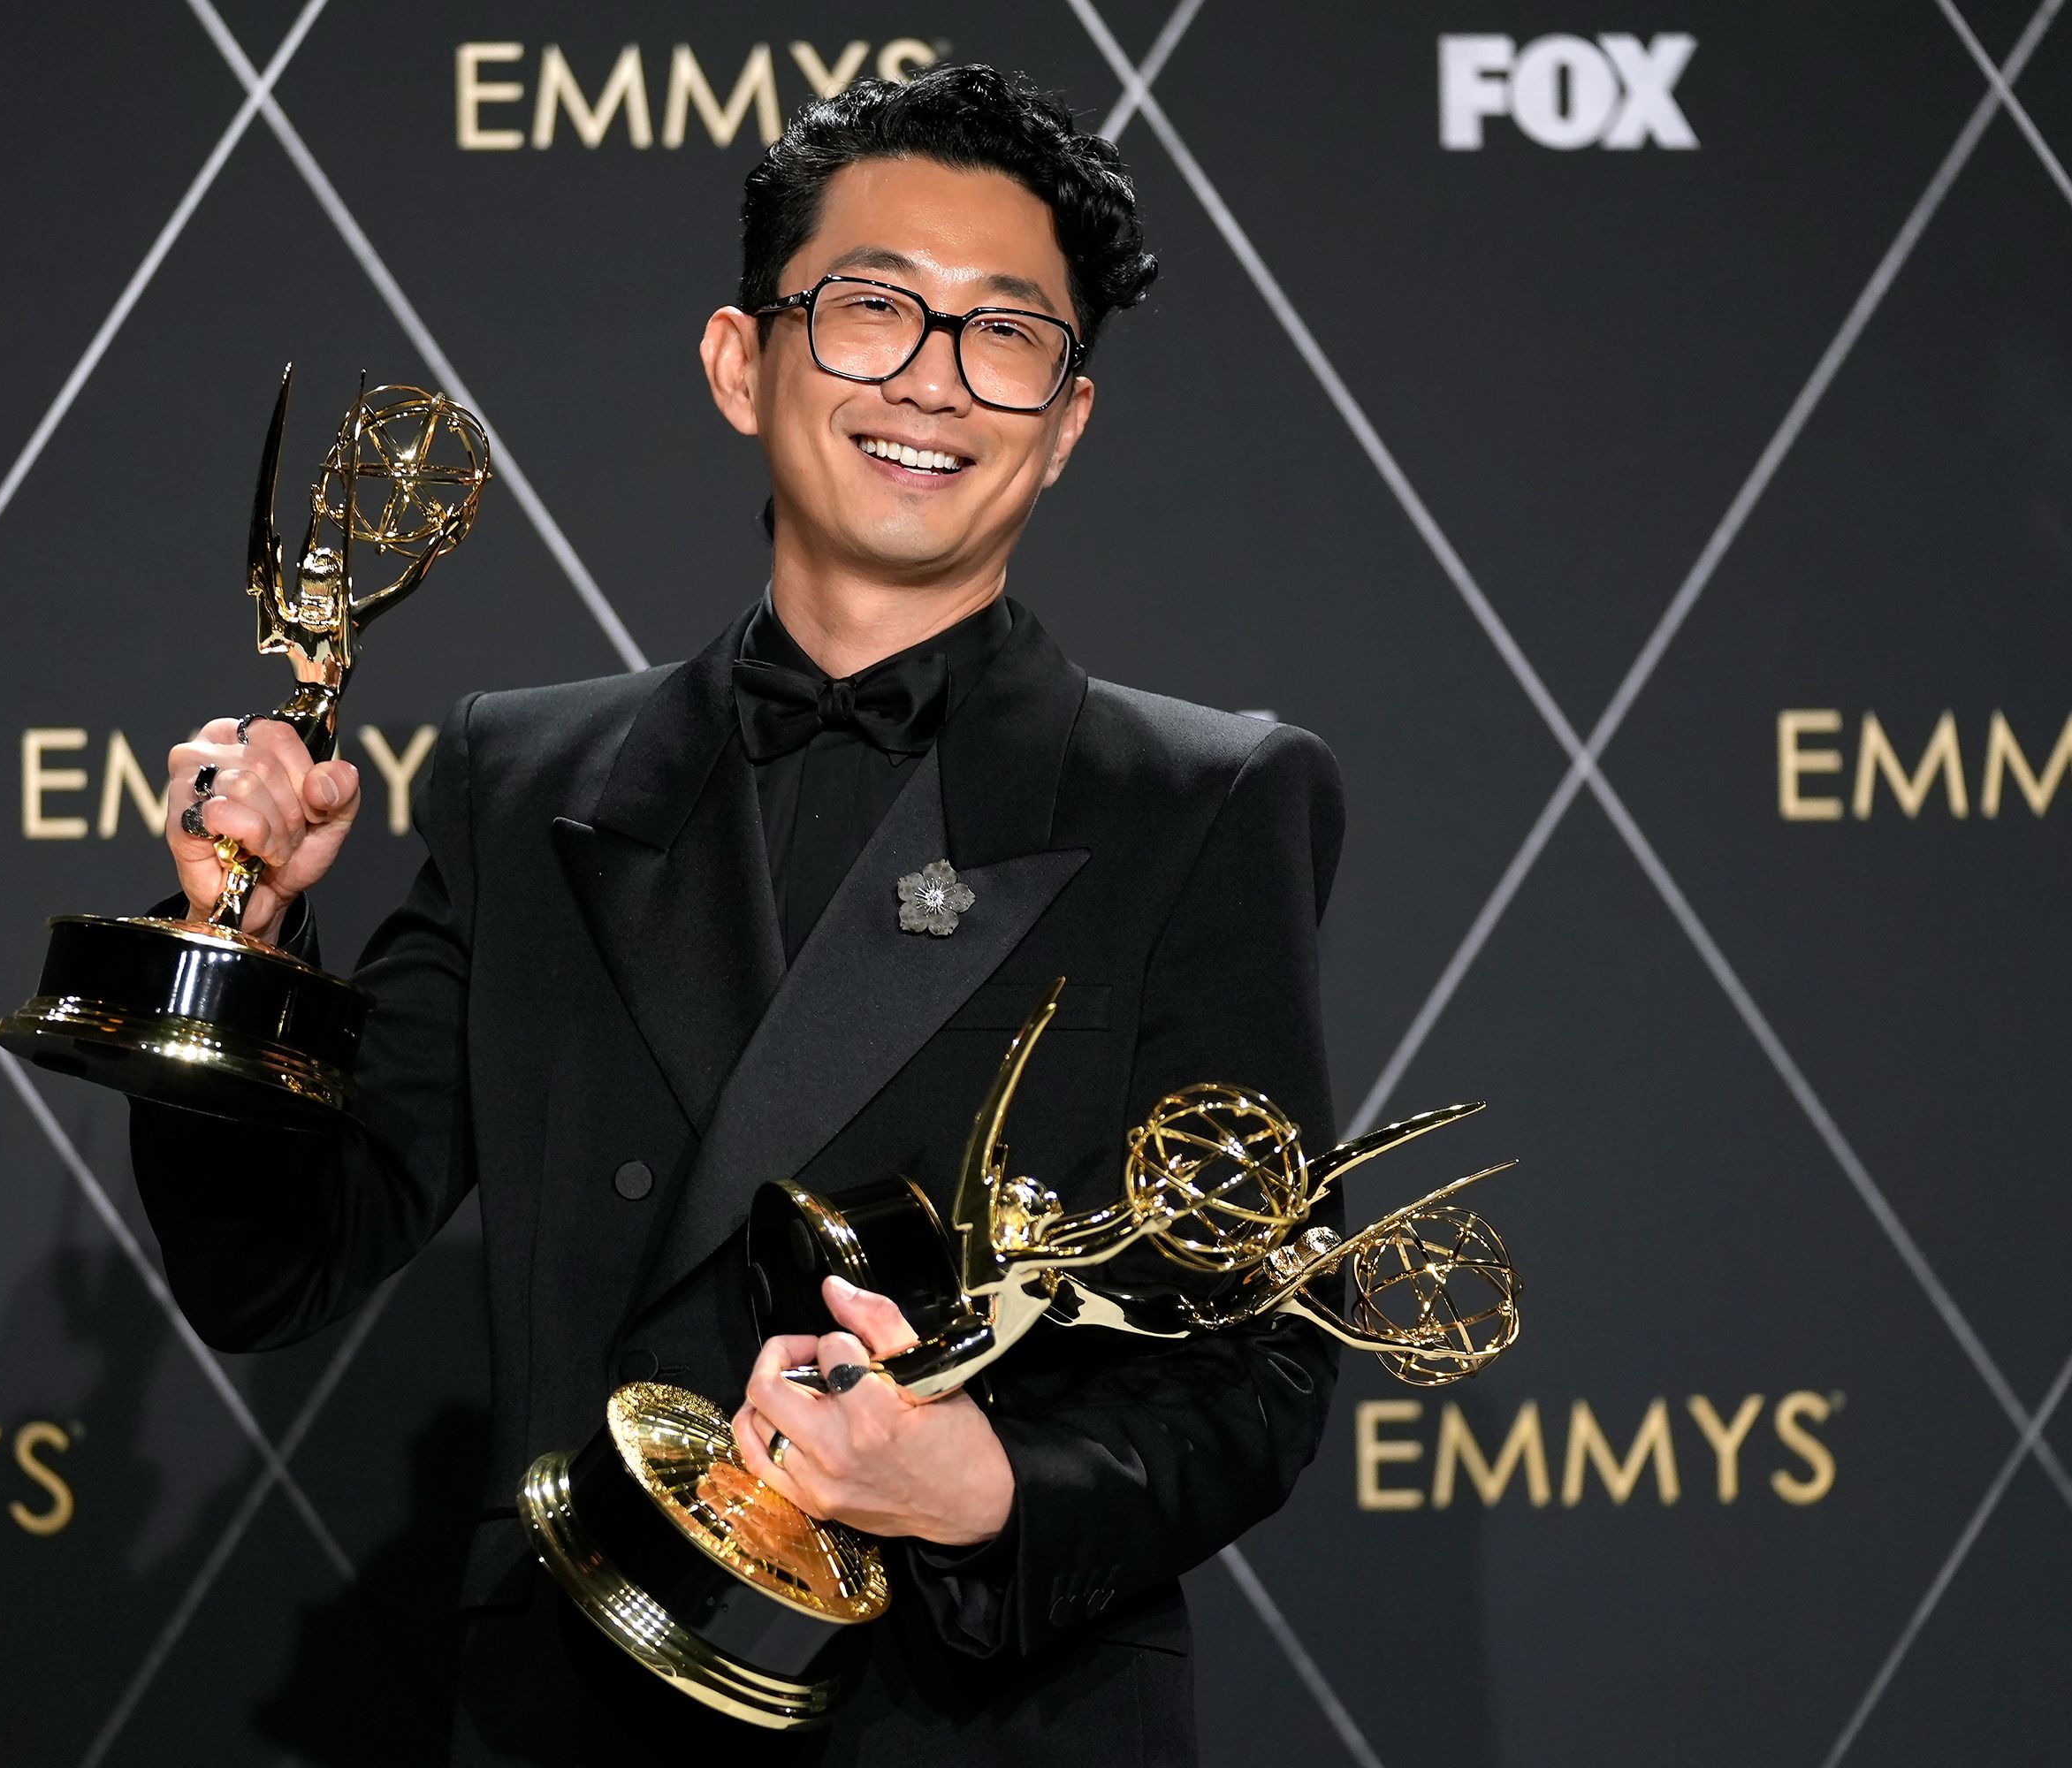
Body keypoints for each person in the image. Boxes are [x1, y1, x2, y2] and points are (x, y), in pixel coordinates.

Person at [133, 62, 1344, 1766]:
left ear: (1067, 420)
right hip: (584, 1699)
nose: (933, 380)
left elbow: (1255, 1371)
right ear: (740, 361)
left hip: (974, 1713)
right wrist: (236, 944)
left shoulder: (1200, 802)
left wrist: (977, 1481)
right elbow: (280, 1259)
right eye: (871, 309)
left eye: (1006, 335)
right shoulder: (523, 775)